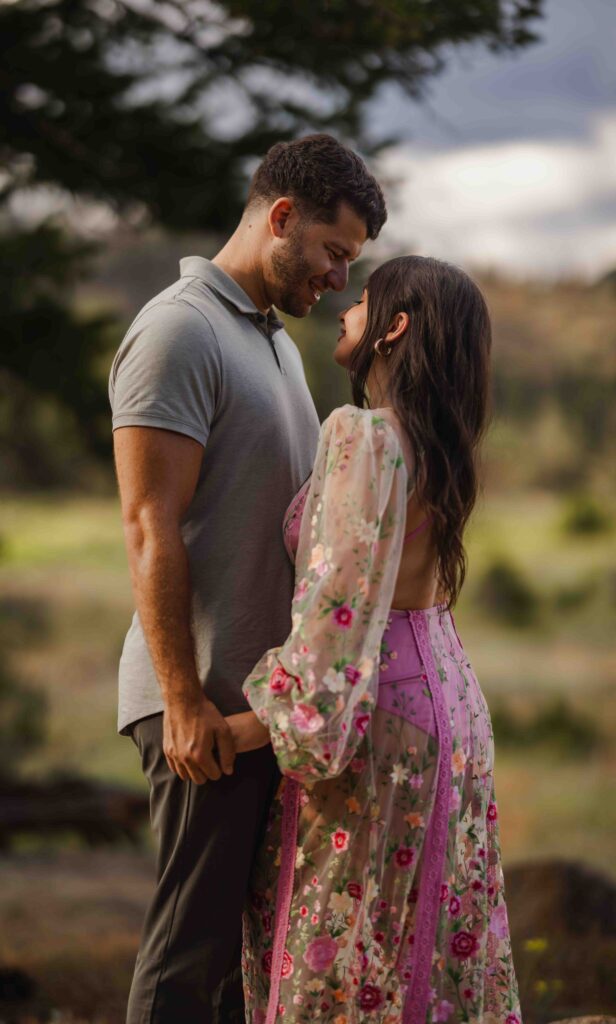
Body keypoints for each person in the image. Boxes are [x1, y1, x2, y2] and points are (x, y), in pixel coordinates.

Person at [108, 134, 387, 1023]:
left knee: (239, 964)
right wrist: (185, 700)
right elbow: (149, 524)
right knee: (187, 959)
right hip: (202, 709)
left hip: (258, 713)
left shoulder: (273, 346)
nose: (339, 279)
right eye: (333, 252)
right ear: (280, 218)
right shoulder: (178, 329)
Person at [233, 256, 522, 1024]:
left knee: (344, 939)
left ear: (393, 328)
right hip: (450, 706)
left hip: (378, 718)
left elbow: (338, 618)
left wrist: (245, 730)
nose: (344, 309)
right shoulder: (442, 443)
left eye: (362, 302)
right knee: (419, 940)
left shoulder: (365, 437)